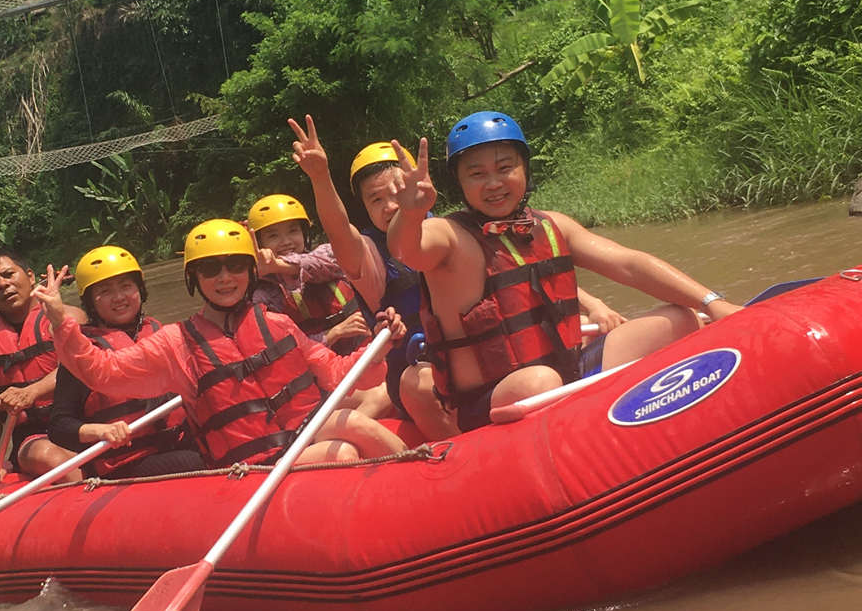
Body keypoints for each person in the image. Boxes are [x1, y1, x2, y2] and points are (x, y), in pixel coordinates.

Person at [385, 112, 743, 432]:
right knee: (540, 382)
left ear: (525, 169)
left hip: (570, 373)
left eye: (505, 167)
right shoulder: (448, 237)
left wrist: (711, 302)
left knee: (679, 319)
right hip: (497, 399)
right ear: (460, 184)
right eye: (476, 174)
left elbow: (629, 264)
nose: (493, 182)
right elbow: (406, 249)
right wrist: (412, 213)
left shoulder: (553, 226)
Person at [285, 116, 625, 442]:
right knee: (415, 381)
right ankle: (465, 453)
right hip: (431, 372)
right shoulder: (371, 257)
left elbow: (523, 276)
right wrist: (319, 176)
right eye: (377, 199)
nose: (391, 205)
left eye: (398, 190)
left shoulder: (455, 230)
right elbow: (339, 231)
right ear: (365, 208)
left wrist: (593, 304)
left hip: (495, 357)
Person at [31, 220, 406, 469]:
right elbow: (102, 372)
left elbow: (339, 373)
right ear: (194, 279)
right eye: (211, 270)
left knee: (355, 424)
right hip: (251, 465)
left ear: (249, 271)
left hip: (300, 433)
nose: (224, 278)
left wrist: (378, 346)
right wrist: (59, 319)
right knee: (341, 454)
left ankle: (421, 475)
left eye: (234, 266)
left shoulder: (277, 323)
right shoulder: (175, 343)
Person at [45, 245, 204, 478]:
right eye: (105, 291)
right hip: (128, 463)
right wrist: (100, 430)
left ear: (140, 290)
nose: (119, 297)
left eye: (126, 286)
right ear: (90, 301)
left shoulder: (162, 334)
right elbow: (59, 427)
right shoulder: (83, 351)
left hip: (179, 443)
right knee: (195, 462)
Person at [0, 246, 68, 486]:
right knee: (45, 455)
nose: (2, 284)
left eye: (9, 274)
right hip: (31, 440)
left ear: (30, 276)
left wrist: (31, 392)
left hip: (80, 424)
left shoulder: (67, 318)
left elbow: (78, 369)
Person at [245, 192, 371, 356]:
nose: (286, 241)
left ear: (304, 233)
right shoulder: (265, 293)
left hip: (369, 350)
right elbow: (281, 349)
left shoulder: (327, 254)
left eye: (293, 231)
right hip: (325, 369)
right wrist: (332, 334)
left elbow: (321, 264)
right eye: (273, 235)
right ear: (260, 243)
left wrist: (278, 266)